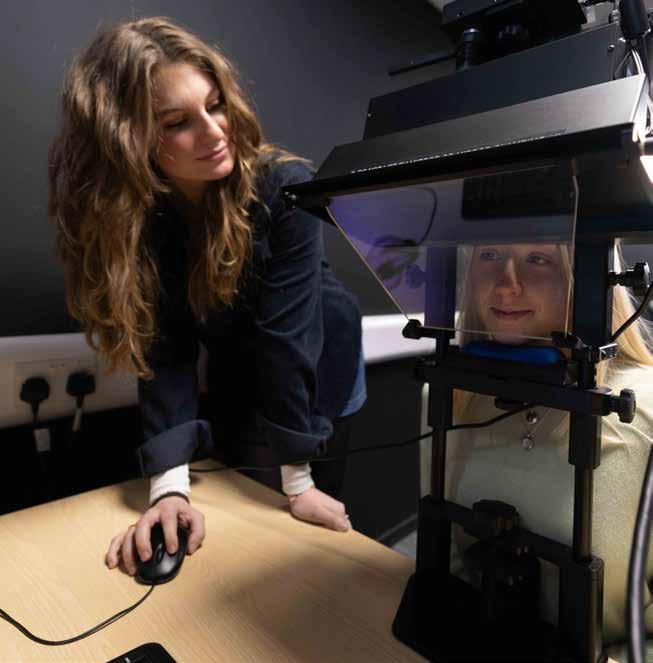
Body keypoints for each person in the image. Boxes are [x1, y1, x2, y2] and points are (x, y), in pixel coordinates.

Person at [48, 17, 366, 577]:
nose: (215, 132)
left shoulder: (286, 186)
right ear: (126, 141)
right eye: (177, 123)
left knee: (297, 533)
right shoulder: (140, 221)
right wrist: (168, 490)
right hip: (236, 368)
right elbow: (163, 347)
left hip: (318, 358)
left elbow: (288, 338)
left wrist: (298, 482)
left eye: (215, 106)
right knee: (237, 513)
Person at [449, 242, 653, 660]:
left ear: (589, 278)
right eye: (489, 255)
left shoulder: (645, 412)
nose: (506, 285)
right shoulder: (454, 395)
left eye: (537, 259)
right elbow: (452, 566)